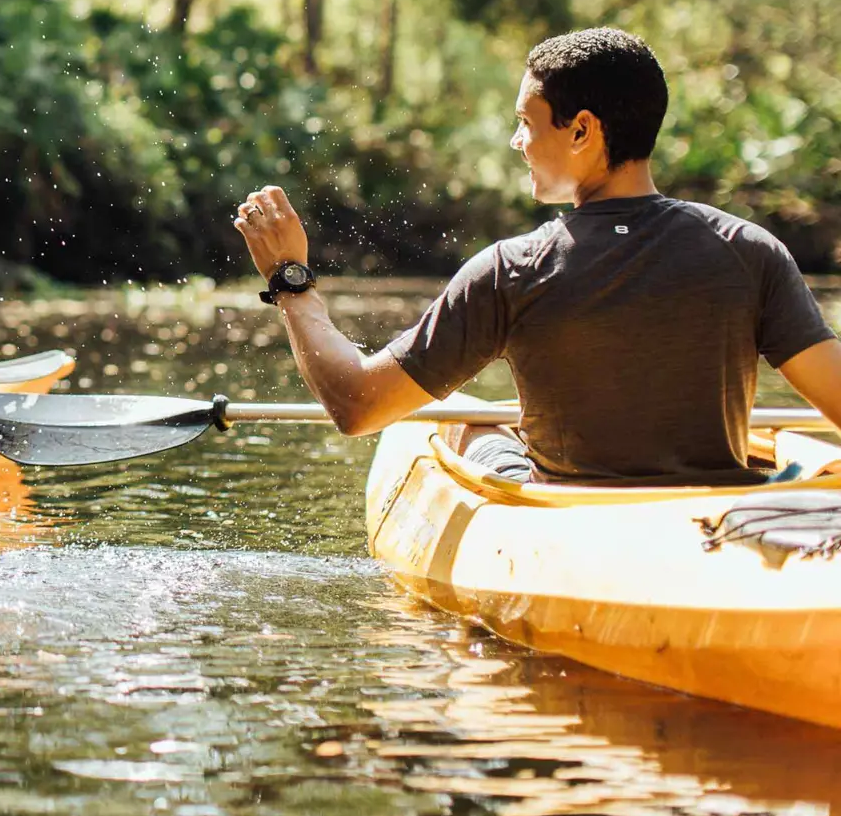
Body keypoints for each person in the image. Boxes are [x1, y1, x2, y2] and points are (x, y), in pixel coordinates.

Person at [233, 27, 841, 484]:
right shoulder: (751, 251)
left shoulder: (512, 270)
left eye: (527, 122)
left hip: (570, 525)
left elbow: (358, 405)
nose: (516, 140)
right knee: (476, 409)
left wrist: (292, 284)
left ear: (581, 131)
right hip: (708, 525)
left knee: (462, 417)